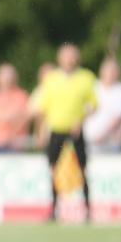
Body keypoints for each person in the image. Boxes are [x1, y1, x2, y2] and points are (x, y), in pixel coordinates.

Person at [34, 43, 97, 222]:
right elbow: (43, 109)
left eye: (73, 56)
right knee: (53, 169)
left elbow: (94, 104)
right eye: (66, 56)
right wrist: (40, 132)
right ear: (60, 58)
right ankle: (54, 209)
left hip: (76, 131)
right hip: (56, 130)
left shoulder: (86, 77)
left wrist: (82, 119)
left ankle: (87, 210)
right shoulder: (51, 79)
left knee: (82, 169)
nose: (70, 60)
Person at [83, 58, 121, 152]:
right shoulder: (92, 87)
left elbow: (119, 117)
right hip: (87, 142)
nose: (110, 74)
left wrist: (103, 136)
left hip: (110, 144)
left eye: (114, 71)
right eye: (108, 70)